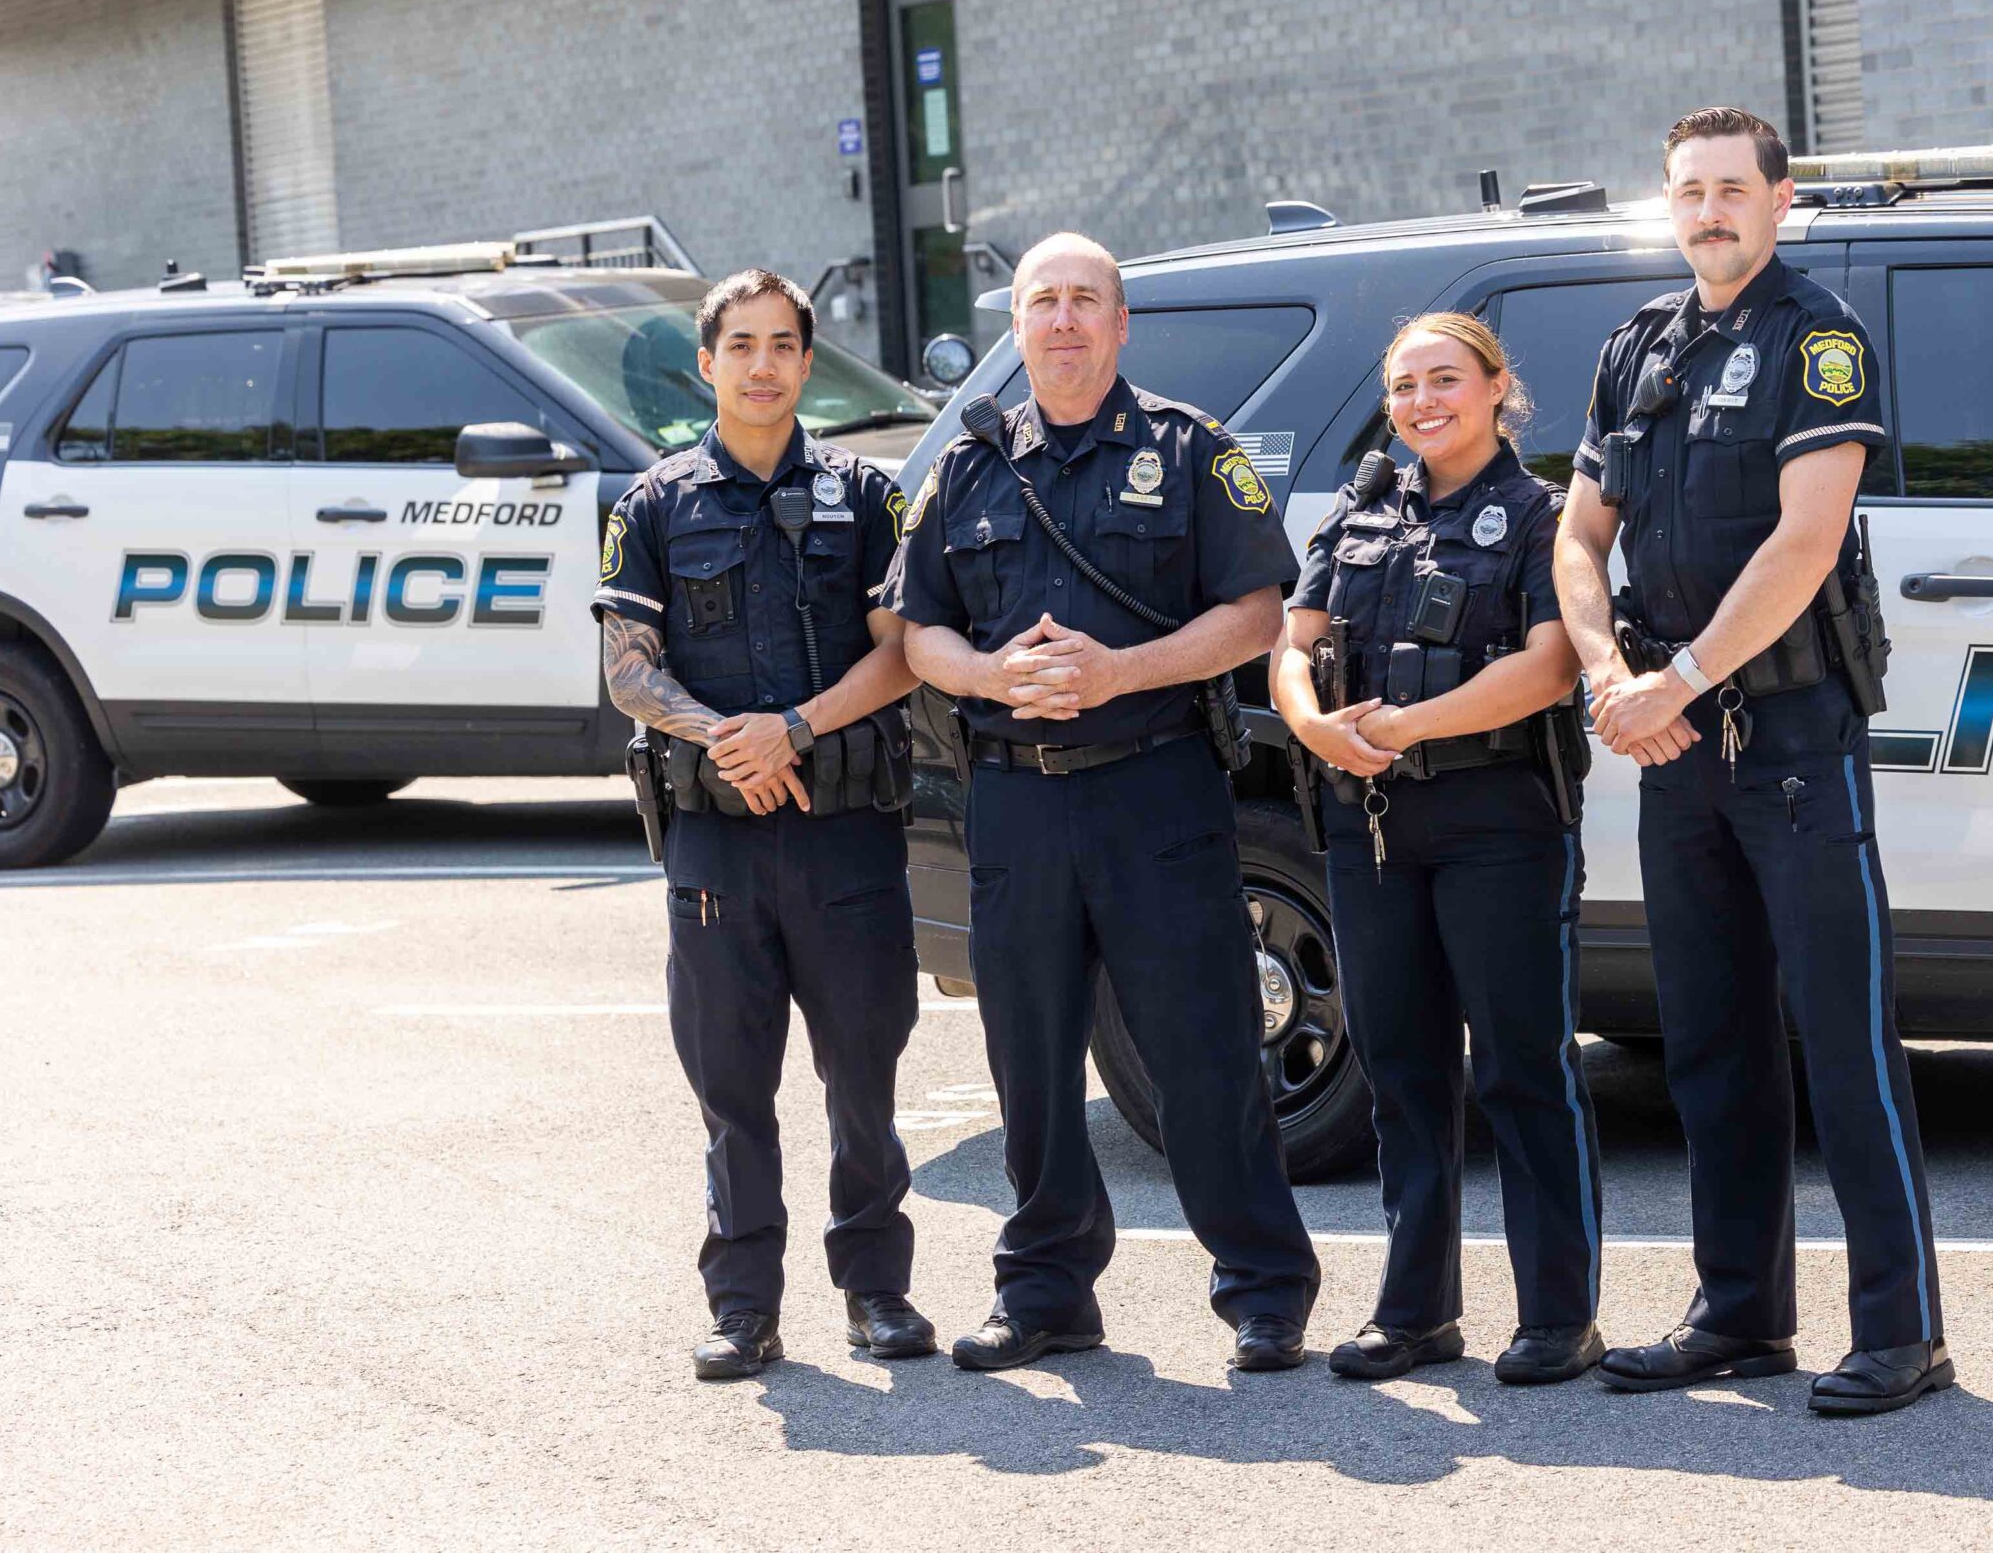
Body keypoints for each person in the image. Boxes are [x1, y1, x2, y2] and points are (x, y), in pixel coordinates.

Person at [1553, 108, 1951, 1415]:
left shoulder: (1815, 341)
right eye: (1689, 192)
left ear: (1779, 202)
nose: (1710, 210)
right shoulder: (1638, 352)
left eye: (1733, 188)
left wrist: (1680, 677)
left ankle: (1901, 1329)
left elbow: (1803, 538)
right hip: (1676, 743)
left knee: (1841, 1041)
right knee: (1711, 1046)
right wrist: (1613, 676)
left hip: (1789, 738)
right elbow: (1577, 536)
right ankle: (1739, 1313)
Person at [884, 231, 1321, 1373]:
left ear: (1122, 325)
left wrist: (1119, 670)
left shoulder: (1187, 450)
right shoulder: (968, 468)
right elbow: (914, 625)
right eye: (1044, 303)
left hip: (1154, 789)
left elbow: (1257, 613)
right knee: (1029, 1060)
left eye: (1087, 301)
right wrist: (984, 674)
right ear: (1016, 328)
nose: (1065, 321)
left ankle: (1264, 1289)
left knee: (1206, 1049)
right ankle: (1045, 1292)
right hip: (1016, 804)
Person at [596, 268, 933, 1380]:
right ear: (707, 363)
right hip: (717, 840)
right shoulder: (651, 505)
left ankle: (877, 1291)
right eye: (740, 345)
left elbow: (903, 654)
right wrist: (726, 735)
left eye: (783, 344)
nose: (762, 364)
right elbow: (628, 670)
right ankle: (743, 1306)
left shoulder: (867, 497)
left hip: (844, 831)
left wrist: (792, 724)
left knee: (864, 1078)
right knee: (732, 1089)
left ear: (804, 359)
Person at [1273, 314, 1603, 1385]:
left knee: (1519, 1069)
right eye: (1405, 384)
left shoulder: (1539, 514)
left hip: (1498, 821)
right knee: (1405, 1071)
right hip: (1368, 825)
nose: (1423, 401)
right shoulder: (1361, 507)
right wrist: (1314, 724)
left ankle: (1559, 1311)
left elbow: (1552, 666)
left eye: (1446, 380)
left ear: (1498, 386)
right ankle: (1415, 1310)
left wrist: (1409, 725)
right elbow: (1295, 641)